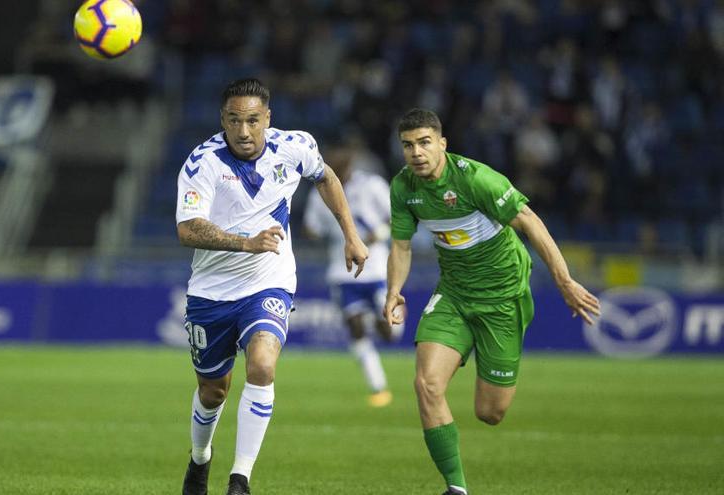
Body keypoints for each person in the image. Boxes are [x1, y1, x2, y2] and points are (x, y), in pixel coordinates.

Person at [383, 109, 601, 495]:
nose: (416, 152)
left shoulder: (476, 179)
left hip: (503, 298)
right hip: (452, 294)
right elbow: (400, 245)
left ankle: (484, 353)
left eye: (424, 142)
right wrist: (393, 290)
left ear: (442, 144)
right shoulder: (403, 187)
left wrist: (564, 280)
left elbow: (530, 221)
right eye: (408, 145)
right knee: (426, 384)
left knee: (490, 413)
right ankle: (456, 488)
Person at [176, 78, 369, 495]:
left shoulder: (295, 146)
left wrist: (351, 235)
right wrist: (245, 243)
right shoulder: (202, 163)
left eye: (252, 121)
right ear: (222, 121)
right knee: (213, 391)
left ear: (268, 119)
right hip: (212, 290)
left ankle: (240, 479)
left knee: (262, 366)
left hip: (269, 282)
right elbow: (188, 229)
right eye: (233, 121)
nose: (243, 132)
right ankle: (199, 459)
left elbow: (327, 177)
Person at [303, 138, 401, 407]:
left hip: (377, 268)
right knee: (355, 327)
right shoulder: (318, 193)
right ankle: (378, 387)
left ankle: (381, 318)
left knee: (388, 333)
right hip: (342, 271)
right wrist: (311, 231)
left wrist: (375, 235)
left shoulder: (371, 185)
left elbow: (395, 215)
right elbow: (311, 228)